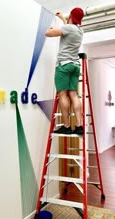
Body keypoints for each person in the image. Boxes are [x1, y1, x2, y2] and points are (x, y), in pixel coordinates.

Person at [45, 7, 84, 135]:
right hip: (75, 65)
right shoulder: (80, 31)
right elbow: (69, 28)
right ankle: (79, 125)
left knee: (62, 94)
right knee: (73, 95)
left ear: (71, 17)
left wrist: (50, 28)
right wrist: (63, 18)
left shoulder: (68, 28)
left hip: (64, 66)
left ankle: (66, 126)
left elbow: (48, 33)